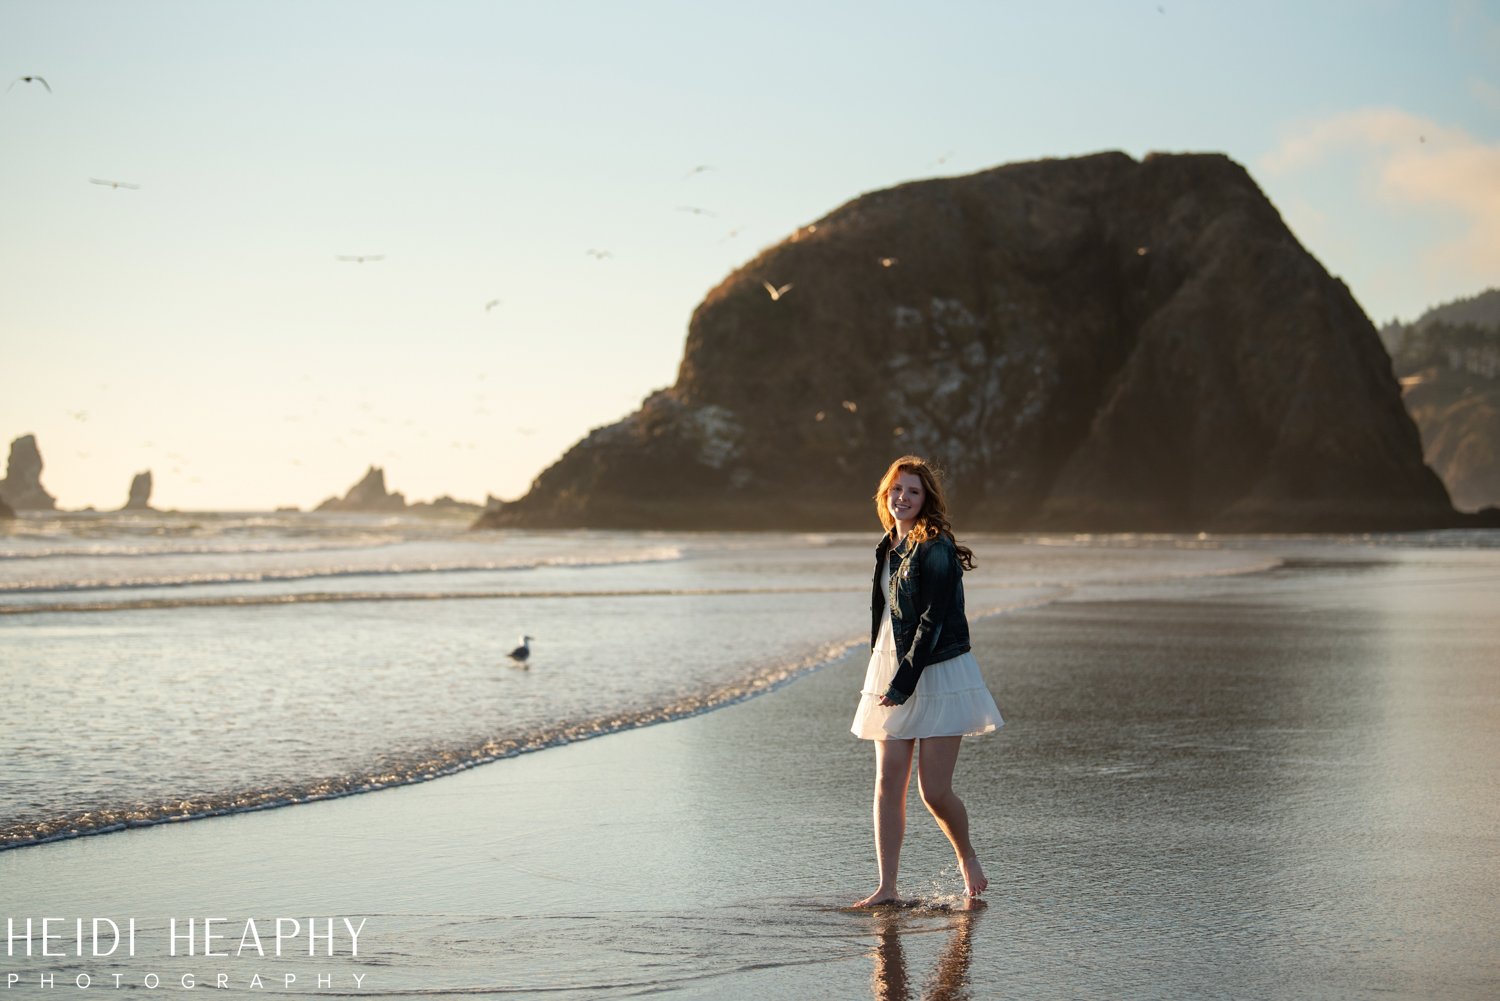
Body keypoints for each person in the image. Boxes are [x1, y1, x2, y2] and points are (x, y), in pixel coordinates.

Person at [850, 455, 1003, 907]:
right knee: (887, 781)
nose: (903, 498)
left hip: (936, 669)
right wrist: (884, 668)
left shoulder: (935, 547)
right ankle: (887, 887)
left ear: (926, 499)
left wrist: (903, 683)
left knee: (933, 790)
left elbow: (932, 622)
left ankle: (967, 857)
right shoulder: (886, 546)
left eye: (913, 491)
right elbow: (886, 617)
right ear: (885, 495)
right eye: (897, 490)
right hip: (893, 663)